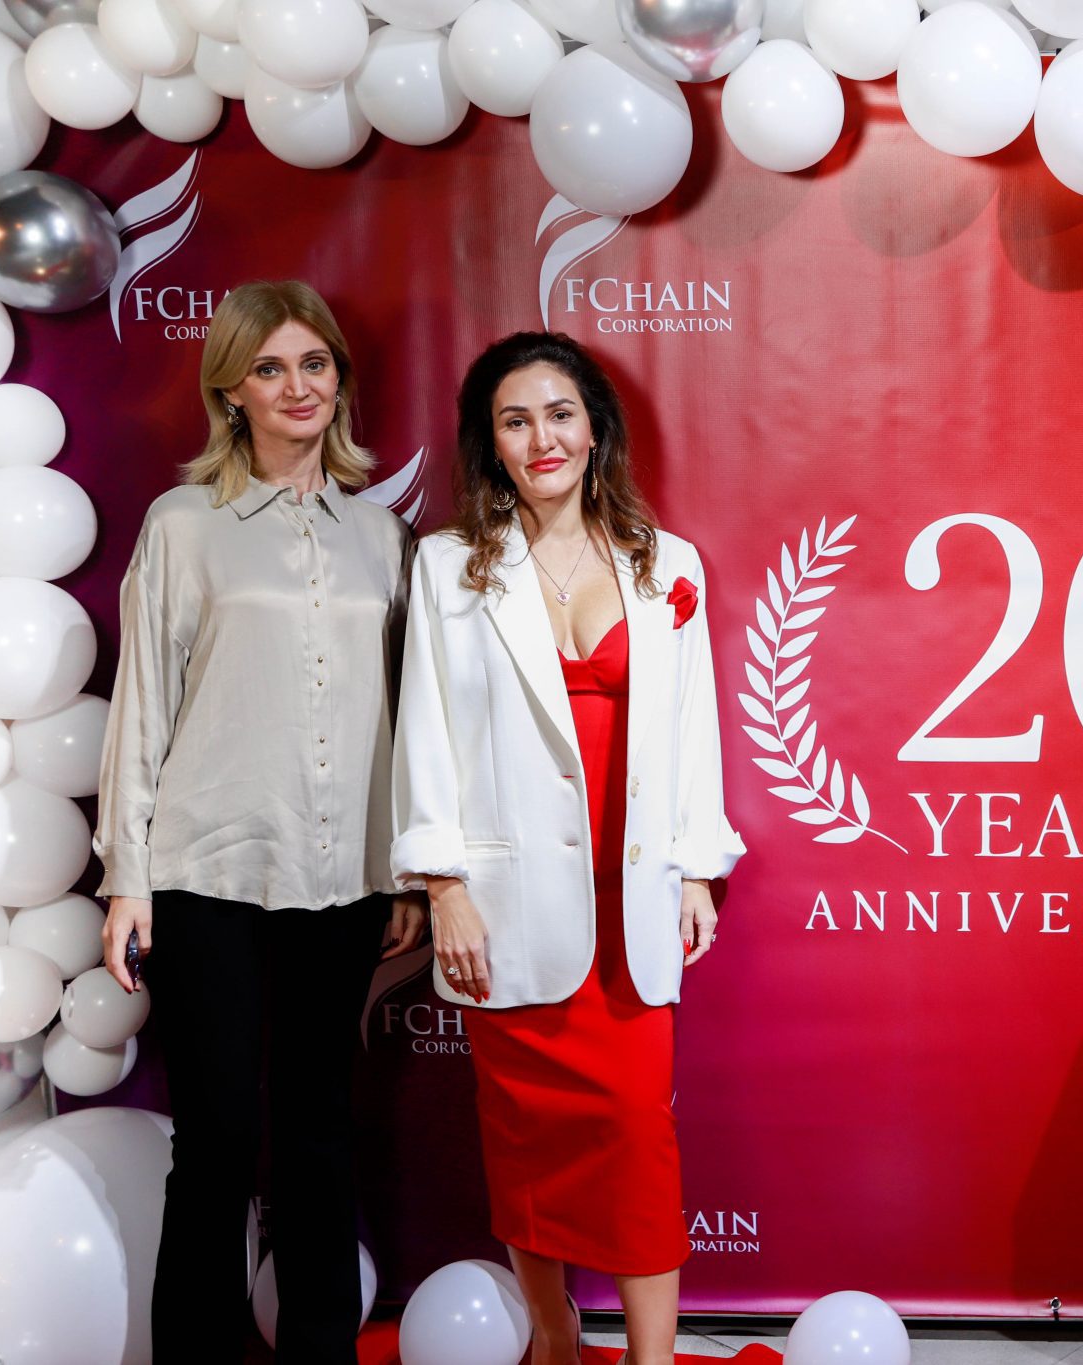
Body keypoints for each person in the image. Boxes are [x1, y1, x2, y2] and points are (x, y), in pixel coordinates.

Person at [393, 331, 743, 1365]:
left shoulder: (667, 564)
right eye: (515, 421)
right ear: (491, 443)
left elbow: (694, 726)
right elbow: (425, 730)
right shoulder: (449, 565)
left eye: (558, 414)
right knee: (522, 1135)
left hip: (628, 907)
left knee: (637, 1132)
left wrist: (697, 867)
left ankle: (651, 1358)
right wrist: (443, 885)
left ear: (595, 430)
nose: (540, 438)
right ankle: (552, 1337)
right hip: (508, 908)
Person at [95, 279, 423, 1363]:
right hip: (206, 869)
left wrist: (406, 872)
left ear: (340, 378)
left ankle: (321, 1347)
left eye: (314, 364)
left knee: (320, 1128)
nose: (297, 386)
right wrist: (127, 876)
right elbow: (144, 701)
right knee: (220, 1136)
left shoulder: (383, 537)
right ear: (230, 390)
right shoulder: (184, 524)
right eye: (270, 368)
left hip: (345, 873)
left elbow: (410, 717)